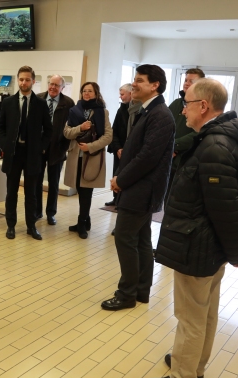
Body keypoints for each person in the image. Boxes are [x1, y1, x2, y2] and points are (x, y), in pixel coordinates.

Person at [146, 78, 238, 378]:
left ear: (203, 106)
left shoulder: (213, 146)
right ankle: (194, 364)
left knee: (190, 316)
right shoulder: (234, 138)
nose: (182, 110)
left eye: (186, 104)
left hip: (197, 246)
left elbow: (225, 207)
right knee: (206, 310)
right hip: (212, 247)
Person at [100, 64, 174, 310]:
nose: (134, 83)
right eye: (134, 79)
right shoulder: (148, 111)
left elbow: (147, 157)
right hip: (140, 188)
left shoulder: (160, 115)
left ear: (155, 85)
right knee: (141, 240)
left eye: (140, 80)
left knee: (124, 237)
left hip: (142, 190)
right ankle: (141, 291)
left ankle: (126, 294)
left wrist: (120, 180)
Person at [0, 65, 52, 240]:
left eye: (27, 79)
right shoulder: (8, 102)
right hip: (13, 153)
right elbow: (0, 128)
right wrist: (5, 145)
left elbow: (48, 130)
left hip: (32, 153)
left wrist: (41, 147)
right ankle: (10, 225)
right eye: (21, 79)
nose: (23, 82)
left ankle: (31, 226)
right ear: (18, 80)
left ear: (33, 81)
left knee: (31, 193)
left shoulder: (41, 104)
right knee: (11, 192)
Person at [63, 82, 113, 239]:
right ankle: (86, 220)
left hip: (92, 157)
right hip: (75, 157)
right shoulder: (75, 110)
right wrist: (81, 128)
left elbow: (108, 136)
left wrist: (90, 147)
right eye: (84, 90)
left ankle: (82, 223)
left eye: (90, 91)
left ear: (96, 93)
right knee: (80, 189)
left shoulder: (102, 112)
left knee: (86, 192)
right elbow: (66, 132)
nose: (86, 93)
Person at [35, 75, 75, 225]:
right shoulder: (38, 98)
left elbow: (71, 126)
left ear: (62, 88)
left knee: (53, 183)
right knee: (36, 182)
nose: (53, 87)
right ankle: (37, 211)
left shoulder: (68, 103)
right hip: (39, 148)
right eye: (51, 84)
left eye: (57, 85)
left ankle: (51, 213)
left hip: (57, 149)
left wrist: (64, 146)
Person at [166, 68, 205, 203]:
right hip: (169, 161)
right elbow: (164, 126)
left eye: (191, 81)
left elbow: (200, 132)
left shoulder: (202, 106)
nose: (186, 83)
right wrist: (167, 146)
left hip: (186, 162)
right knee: (167, 200)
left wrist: (175, 146)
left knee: (180, 201)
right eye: (185, 80)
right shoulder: (176, 103)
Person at [105, 83, 133, 207]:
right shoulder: (121, 110)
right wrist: (118, 148)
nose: (120, 97)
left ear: (131, 94)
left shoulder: (138, 111)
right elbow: (114, 131)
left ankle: (123, 200)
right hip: (119, 149)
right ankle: (116, 199)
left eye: (122, 94)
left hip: (130, 150)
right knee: (116, 173)